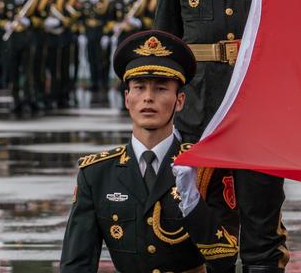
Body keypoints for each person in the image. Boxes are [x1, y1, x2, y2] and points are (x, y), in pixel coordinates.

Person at [155, 0, 289, 272]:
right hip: (199, 112)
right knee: (198, 234)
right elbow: (165, 44)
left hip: (262, 111)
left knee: (261, 237)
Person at [60, 29, 239, 272]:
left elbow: (225, 257)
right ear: (126, 98)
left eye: (161, 89)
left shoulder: (204, 168)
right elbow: (76, 263)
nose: (148, 98)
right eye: (139, 87)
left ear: (180, 100)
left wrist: (193, 203)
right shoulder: (97, 173)